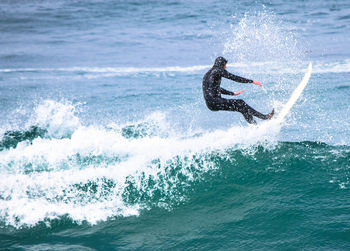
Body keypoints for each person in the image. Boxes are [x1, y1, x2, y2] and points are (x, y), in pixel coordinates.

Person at [202, 56, 274, 124]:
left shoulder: (207, 75)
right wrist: (252, 81)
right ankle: (265, 117)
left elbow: (215, 89)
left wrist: (232, 93)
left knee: (241, 107)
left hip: (210, 104)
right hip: (215, 101)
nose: (225, 67)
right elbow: (234, 77)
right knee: (241, 103)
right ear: (222, 64)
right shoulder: (218, 70)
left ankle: (255, 126)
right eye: (225, 65)